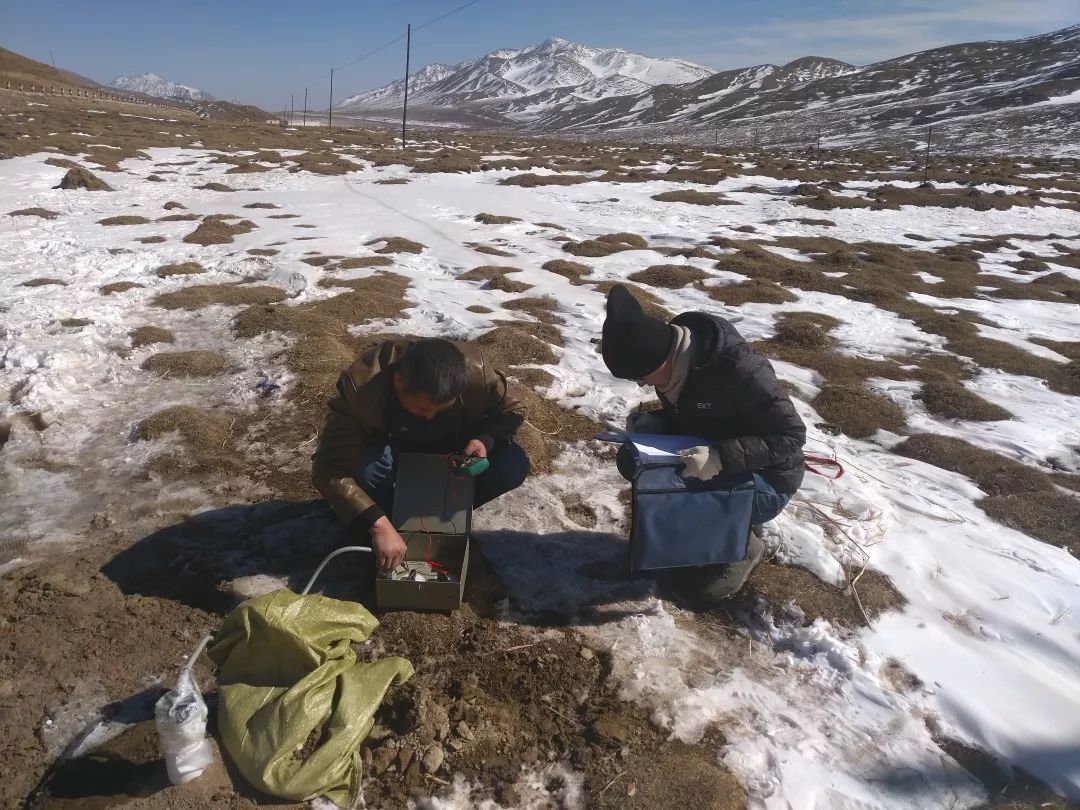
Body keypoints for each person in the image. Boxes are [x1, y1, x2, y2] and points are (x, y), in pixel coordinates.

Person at [601, 284, 806, 602]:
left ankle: (742, 549)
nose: (642, 385)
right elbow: (698, 416)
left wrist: (720, 457)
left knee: (698, 590)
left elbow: (792, 437)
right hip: (708, 452)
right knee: (633, 461)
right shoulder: (676, 366)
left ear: (661, 362)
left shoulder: (741, 371)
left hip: (768, 480)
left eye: (641, 378)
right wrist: (657, 425)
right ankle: (680, 539)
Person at [312, 337, 529, 574]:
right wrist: (377, 522)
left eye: (442, 409)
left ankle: (441, 517)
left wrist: (484, 440)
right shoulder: (361, 390)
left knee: (512, 464)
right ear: (399, 382)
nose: (430, 417)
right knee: (367, 471)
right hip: (389, 453)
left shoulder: (476, 372)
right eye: (422, 409)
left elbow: (514, 409)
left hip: (453, 450)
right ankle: (389, 521)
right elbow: (329, 468)